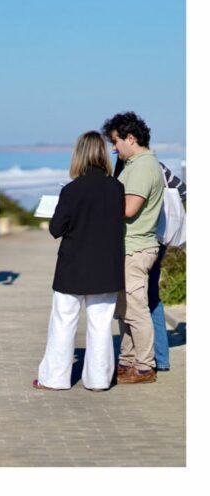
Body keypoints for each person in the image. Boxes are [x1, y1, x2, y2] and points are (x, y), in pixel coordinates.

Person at [33, 131, 125, 391]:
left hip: (73, 267)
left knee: (63, 323)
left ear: (79, 155)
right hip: (107, 267)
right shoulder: (116, 188)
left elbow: (56, 229)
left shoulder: (72, 190)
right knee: (100, 325)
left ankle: (55, 379)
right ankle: (98, 380)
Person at [102, 111, 165, 384]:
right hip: (129, 247)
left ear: (131, 138)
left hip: (136, 247)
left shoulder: (142, 167)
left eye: (115, 142)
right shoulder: (135, 165)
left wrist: (96, 205)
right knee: (125, 309)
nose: (113, 148)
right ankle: (127, 362)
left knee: (136, 310)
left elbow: (129, 208)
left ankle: (144, 366)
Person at [112, 149, 186, 372]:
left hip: (143, 239)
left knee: (143, 299)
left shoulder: (133, 169)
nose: (115, 149)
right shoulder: (159, 167)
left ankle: (148, 360)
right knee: (151, 295)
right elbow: (183, 191)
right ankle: (159, 358)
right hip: (159, 239)